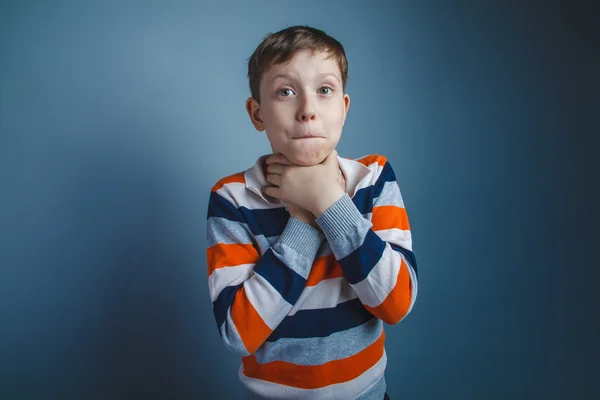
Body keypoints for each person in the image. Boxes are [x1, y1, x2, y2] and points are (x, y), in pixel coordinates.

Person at [206, 25, 418, 400]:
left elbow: (397, 303)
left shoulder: (373, 179)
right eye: (285, 92)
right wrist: (304, 220)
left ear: (343, 108)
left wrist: (328, 201)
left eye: (324, 90)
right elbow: (239, 333)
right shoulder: (234, 199)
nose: (307, 110)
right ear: (257, 113)